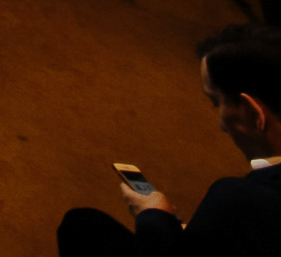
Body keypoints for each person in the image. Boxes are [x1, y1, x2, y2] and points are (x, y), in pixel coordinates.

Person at [58, 23, 281, 255]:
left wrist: (153, 216)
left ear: (253, 114)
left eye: (216, 102)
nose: (221, 125)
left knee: (82, 225)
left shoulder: (236, 200)